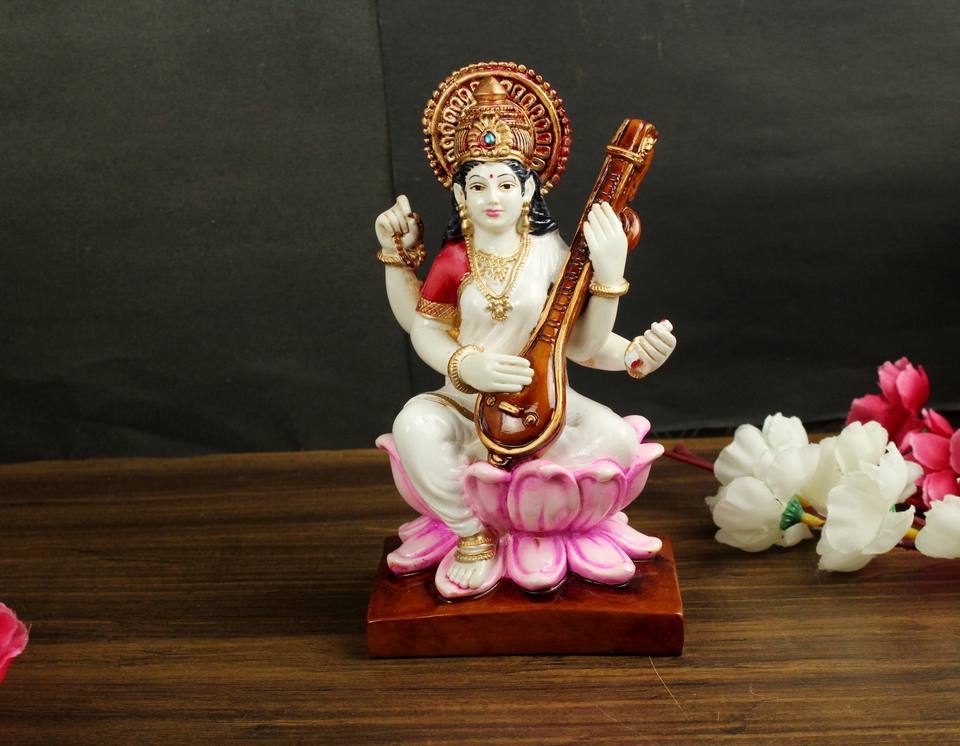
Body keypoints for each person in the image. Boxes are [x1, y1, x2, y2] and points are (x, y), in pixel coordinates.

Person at [374, 67, 676, 598]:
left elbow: (580, 344)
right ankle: (473, 533)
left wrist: (630, 347)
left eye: (506, 183)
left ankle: (528, 503)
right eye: (478, 185)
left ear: (529, 187)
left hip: (546, 404)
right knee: (413, 427)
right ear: (460, 194)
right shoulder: (456, 258)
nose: (493, 196)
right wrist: (466, 365)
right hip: (466, 403)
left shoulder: (555, 255)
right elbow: (425, 329)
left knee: (617, 442)